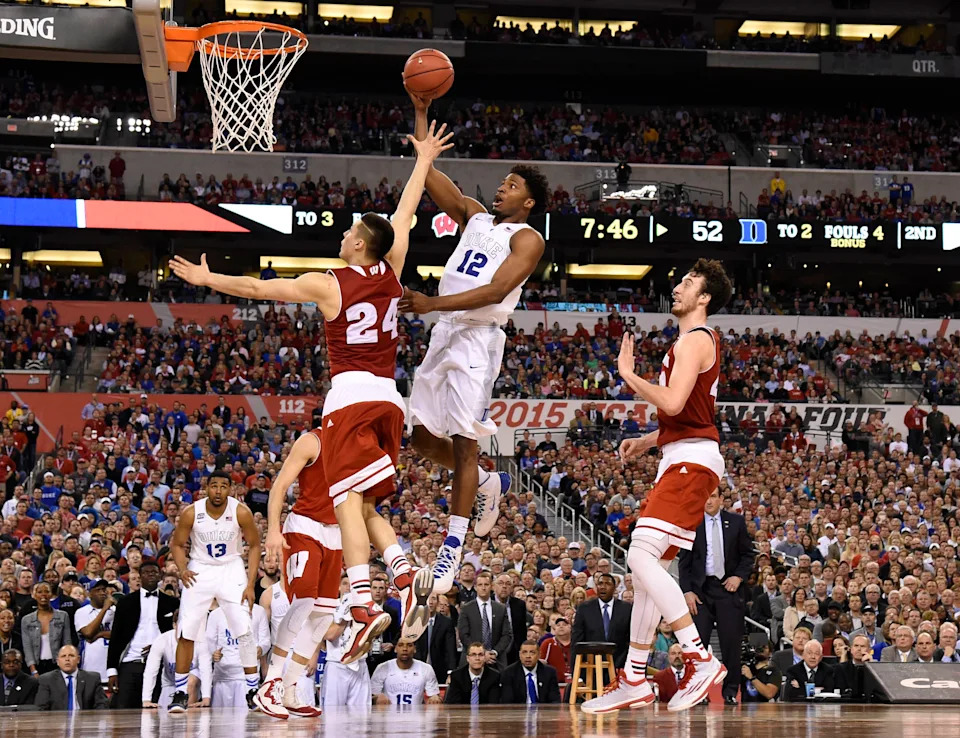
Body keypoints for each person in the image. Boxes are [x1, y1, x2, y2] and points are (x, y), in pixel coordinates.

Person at [169, 124, 452, 662]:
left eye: (351, 231)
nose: (344, 234)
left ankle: (365, 602)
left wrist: (210, 281)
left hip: (348, 396)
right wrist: (422, 161)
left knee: (345, 496)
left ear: (359, 244)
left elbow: (255, 288)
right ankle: (402, 570)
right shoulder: (392, 270)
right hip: (392, 398)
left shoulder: (330, 281)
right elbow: (405, 216)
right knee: (363, 500)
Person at [400, 88, 549, 595]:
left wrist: (430, 304)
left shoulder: (528, 238)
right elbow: (431, 180)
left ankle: (452, 547)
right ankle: (487, 483)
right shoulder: (476, 217)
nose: (501, 190)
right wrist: (421, 116)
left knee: (465, 444)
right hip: (444, 332)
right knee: (419, 438)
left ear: (527, 202)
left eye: (511, 186)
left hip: (477, 340)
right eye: (502, 183)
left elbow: (496, 290)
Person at [581, 259, 733, 715]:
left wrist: (628, 375)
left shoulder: (694, 340)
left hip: (691, 463)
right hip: (682, 456)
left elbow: (670, 400)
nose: (678, 285)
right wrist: (649, 440)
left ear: (704, 297)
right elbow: (687, 414)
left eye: (688, 281)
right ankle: (633, 677)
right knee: (647, 576)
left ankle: (698, 657)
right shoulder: (692, 343)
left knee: (639, 556)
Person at [255, 429, 343, 718]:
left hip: (336, 533)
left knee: (323, 616)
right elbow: (279, 487)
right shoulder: (312, 441)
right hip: (305, 525)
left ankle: (290, 688)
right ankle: (270, 683)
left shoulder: (359, 447)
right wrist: (273, 530)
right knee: (304, 600)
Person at [169, 470, 262, 712]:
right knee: (187, 631)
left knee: (245, 629)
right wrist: (182, 569)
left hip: (231, 569)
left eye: (223, 486)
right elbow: (177, 544)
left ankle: (253, 690)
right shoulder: (191, 512)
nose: (218, 490)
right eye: (214, 486)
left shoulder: (240, 511)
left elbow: (254, 545)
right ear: (206, 488)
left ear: (231, 488)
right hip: (200, 569)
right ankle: (180, 692)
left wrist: (250, 583)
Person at [678, 488, 755, 704]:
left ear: (721, 499)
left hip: (728, 590)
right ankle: (698, 692)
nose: (708, 500)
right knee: (697, 644)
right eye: (704, 496)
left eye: (712, 496)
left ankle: (730, 691)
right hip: (700, 592)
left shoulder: (736, 522)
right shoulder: (691, 522)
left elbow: (748, 555)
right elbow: (684, 562)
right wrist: (687, 592)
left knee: (731, 643)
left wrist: (738, 577)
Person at [106, 559, 178, 708]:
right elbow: (116, 637)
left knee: (158, 713)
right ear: (139, 576)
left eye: (154, 572)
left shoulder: (173, 602)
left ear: (160, 576)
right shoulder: (126, 602)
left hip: (161, 665)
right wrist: (112, 670)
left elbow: (176, 634)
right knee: (124, 712)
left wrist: (159, 647)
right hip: (131, 663)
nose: (151, 575)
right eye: (146, 572)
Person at [142, 610, 212, 709]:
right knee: (166, 718)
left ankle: (189, 719)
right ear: (174, 625)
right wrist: (146, 700)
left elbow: (206, 670)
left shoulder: (201, 642)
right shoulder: (162, 640)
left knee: (190, 681)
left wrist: (206, 698)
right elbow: (150, 671)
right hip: (170, 682)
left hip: (193, 680)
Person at [206, 601, 271, 708]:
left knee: (247, 721)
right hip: (222, 678)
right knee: (220, 722)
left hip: (247, 679)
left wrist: (261, 649)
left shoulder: (258, 611)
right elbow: (209, 643)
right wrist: (213, 654)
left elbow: (266, 641)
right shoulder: (215, 614)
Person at [571, 573, 631, 670]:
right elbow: (576, 642)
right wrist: (577, 674)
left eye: (607, 584)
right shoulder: (584, 608)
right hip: (591, 668)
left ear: (615, 588)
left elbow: (629, 641)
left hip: (620, 667)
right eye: (600, 584)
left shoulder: (626, 609)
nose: (603, 587)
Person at [323, 592, 372, 707]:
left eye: (351, 585)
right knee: (332, 713)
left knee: (362, 714)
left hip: (360, 664)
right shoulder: (330, 608)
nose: (349, 588)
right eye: (345, 583)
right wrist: (345, 616)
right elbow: (330, 636)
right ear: (339, 587)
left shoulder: (367, 608)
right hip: (337, 665)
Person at [457, 572, 511, 669]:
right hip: (471, 661)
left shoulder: (501, 608)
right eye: (480, 585)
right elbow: (463, 635)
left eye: (486, 584)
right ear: (475, 587)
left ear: (492, 586)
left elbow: (507, 635)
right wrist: (481, 654)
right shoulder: (466, 608)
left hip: (496, 661)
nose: (483, 588)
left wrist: (494, 652)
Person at [370, 636, 442, 705]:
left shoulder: (426, 668)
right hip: (389, 715)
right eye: (400, 645)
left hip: (417, 715)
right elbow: (371, 696)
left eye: (409, 645)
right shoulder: (382, 667)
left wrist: (435, 697)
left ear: (415, 649)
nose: (405, 649)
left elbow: (434, 695)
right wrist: (377, 697)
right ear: (395, 649)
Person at [34, 644, 108, 710]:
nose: (67, 659)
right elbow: (41, 708)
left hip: (85, 722)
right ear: (58, 661)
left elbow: (102, 705)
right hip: (57, 722)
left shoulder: (92, 679)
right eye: (63, 656)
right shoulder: (47, 680)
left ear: (78, 659)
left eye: (71, 656)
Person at [21, 583, 72, 676]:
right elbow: (27, 647)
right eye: (40, 592)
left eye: (46, 591)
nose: (43, 594)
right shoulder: (26, 620)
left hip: (57, 665)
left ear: (51, 594)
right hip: (36, 665)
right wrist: (33, 670)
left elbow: (67, 643)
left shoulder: (63, 616)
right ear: (34, 595)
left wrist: (65, 666)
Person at [73, 579, 114, 687]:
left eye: (104, 589)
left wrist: (100, 634)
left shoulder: (115, 611)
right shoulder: (82, 612)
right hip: (91, 667)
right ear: (89, 594)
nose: (102, 593)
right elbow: (89, 633)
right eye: (98, 590)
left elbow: (121, 635)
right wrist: (104, 609)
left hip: (111, 670)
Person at [498, 639, 561, 704]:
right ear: (520, 655)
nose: (528, 656)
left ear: (539, 655)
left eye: (532, 652)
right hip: (518, 712)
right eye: (524, 652)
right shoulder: (508, 673)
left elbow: (555, 700)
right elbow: (507, 702)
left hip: (543, 712)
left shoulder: (549, 672)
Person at [414, 594, 457, 684]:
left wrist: (450, 673)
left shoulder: (446, 622)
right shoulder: (415, 621)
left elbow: (450, 650)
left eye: (433, 599)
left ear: (437, 602)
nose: (430, 602)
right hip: (417, 670)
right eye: (427, 598)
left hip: (439, 670)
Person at [494, 574, 530, 664]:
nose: (504, 586)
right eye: (500, 583)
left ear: (512, 588)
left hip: (514, 652)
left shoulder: (519, 604)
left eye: (508, 584)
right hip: (492, 651)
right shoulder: (487, 603)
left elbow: (522, 632)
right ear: (494, 586)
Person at [834, 633, 872, 701]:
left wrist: (870, 666)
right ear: (851, 649)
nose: (859, 649)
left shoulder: (874, 669)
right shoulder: (841, 668)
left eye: (862, 646)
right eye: (856, 646)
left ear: (869, 650)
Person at [539, 615, 572, 684]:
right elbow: (541, 663)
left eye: (564, 624)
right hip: (554, 683)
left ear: (570, 627)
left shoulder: (577, 643)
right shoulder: (548, 643)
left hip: (576, 682)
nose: (561, 627)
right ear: (554, 629)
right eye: (558, 625)